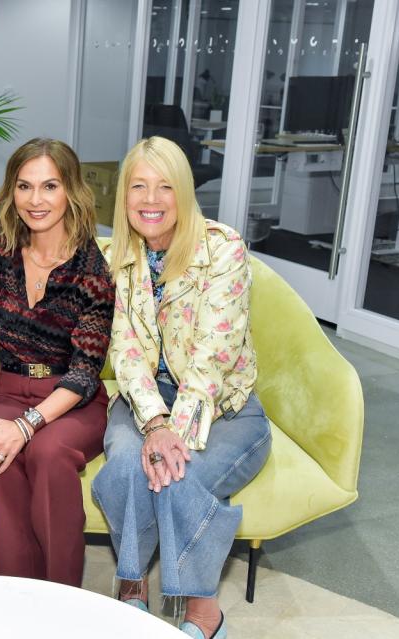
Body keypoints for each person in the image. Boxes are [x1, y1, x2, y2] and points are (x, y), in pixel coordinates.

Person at [91, 136, 271, 639]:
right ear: (124, 195)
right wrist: (153, 423)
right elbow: (125, 351)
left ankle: (203, 613)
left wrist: (175, 438)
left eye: (165, 186)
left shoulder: (223, 248)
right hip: (145, 402)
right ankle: (132, 589)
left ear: (185, 192)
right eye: (139, 186)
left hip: (227, 410)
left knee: (177, 473)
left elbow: (213, 358)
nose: (151, 200)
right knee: (129, 463)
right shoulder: (118, 258)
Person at [0, 138, 115, 587]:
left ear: (71, 191)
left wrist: (29, 424)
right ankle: (17, 597)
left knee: (48, 453)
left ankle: (62, 599)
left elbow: (85, 371)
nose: (36, 200)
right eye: (24, 186)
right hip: (9, 388)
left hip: (71, 398)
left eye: (49, 186)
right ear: (11, 191)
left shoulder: (93, 268)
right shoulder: (2, 249)